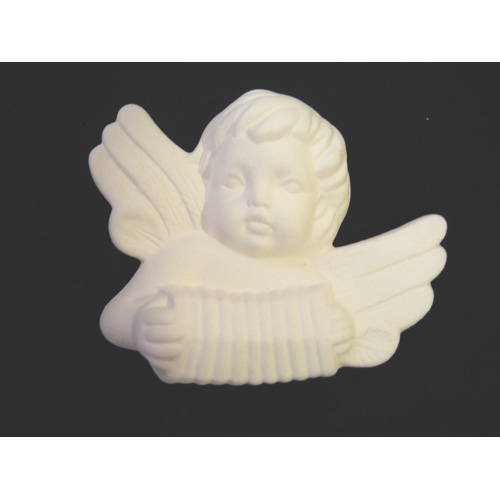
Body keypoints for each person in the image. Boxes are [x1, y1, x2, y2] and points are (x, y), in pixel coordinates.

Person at [100, 90, 355, 384]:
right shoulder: (186, 256)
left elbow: (332, 336)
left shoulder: (309, 281)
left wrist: (337, 334)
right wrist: (142, 326)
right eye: (233, 181)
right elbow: (113, 319)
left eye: (289, 185)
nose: (259, 199)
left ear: (320, 206)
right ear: (207, 186)